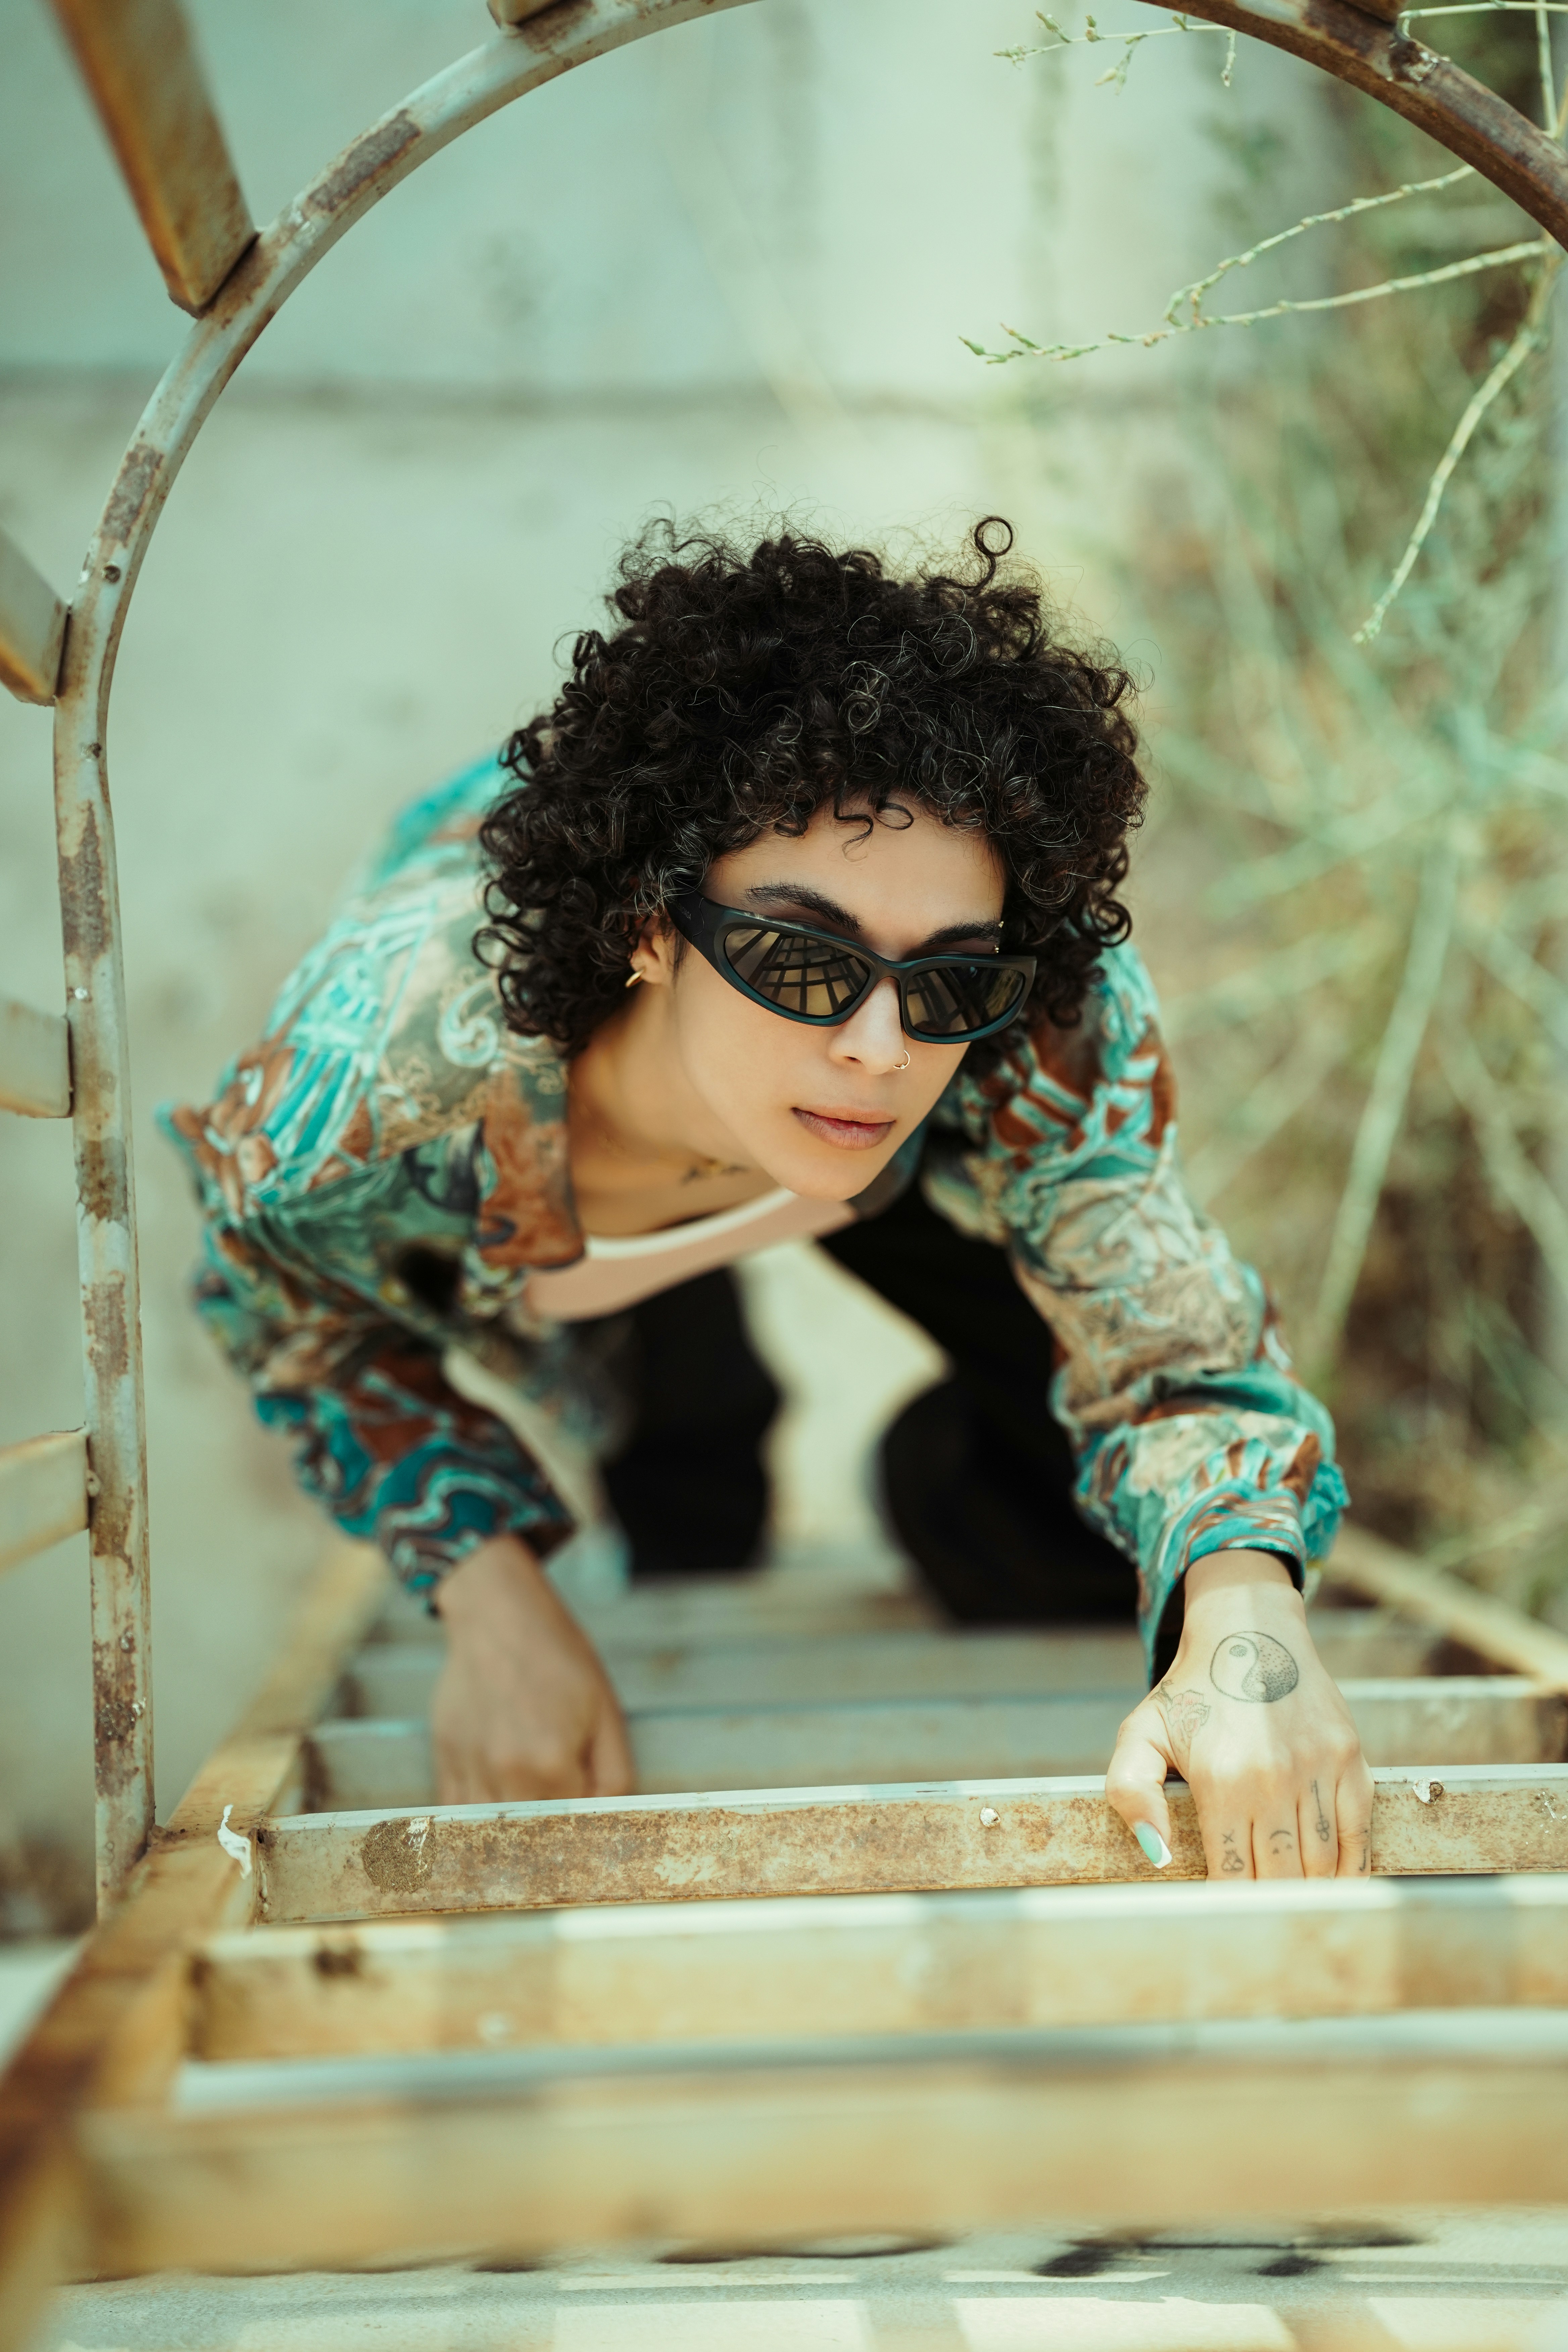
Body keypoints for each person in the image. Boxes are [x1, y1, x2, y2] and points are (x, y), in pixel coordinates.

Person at [164, 518, 1371, 1880]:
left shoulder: (1031, 1023)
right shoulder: (370, 1084)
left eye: (949, 977)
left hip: (887, 1168)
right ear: (650, 925)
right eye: (803, 959)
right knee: (694, 1494)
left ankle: (933, 1471)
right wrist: (488, 1592)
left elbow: (1169, 1353)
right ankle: (689, 1431)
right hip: (582, 1159)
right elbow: (281, 1312)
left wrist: (1242, 1634)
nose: (878, 1044)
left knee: (1071, 1549)